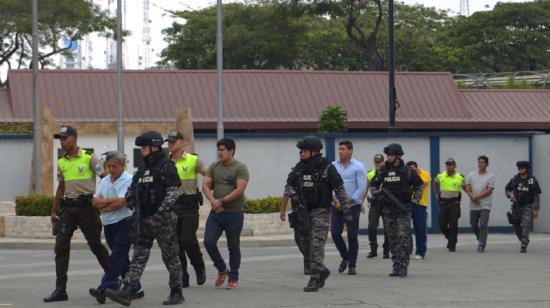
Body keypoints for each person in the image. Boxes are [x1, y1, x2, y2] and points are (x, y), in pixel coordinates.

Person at [106, 131, 184, 306]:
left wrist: (159, 215)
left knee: (170, 257)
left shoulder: (166, 166)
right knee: (139, 254)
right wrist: (131, 200)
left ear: (153, 147)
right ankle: (129, 289)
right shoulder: (142, 169)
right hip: (143, 219)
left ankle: (176, 291)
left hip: (163, 220)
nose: (141, 150)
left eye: (143, 147)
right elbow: (132, 190)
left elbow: (173, 193)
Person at [44, 126, 110, 303]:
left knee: (96, 245)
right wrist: (54, 210)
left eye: (65, 138)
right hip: (68, 210)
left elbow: (105, 178)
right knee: (61, 247)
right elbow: (61, 187)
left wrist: (103, 200)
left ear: (74, 138)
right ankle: (60, 290)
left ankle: (114, 279)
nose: (62, 141)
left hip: (87, 210)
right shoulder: (62, 162)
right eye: (60, 139)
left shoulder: (89, 158)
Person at [282, 136, 351, 292]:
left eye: (304, 150)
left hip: (321, 211)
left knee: (316, 244)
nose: (301, 153)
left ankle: (315, 276)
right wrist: (293, 194)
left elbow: (339, 189)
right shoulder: (299, 168)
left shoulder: (326, 167)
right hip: (302, 211)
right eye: (300, 151)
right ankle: (321, 269)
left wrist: (346, 211)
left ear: (314, 152)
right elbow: (288, 186)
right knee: (301, 241)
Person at [89, 151, 143, 304]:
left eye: (114, 166)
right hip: (109, 224)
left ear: (122, 166)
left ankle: (104, 288)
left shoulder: (129, 180)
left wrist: (104, 205)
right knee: (122, 258)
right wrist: (108, 204)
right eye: (109, 165)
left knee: (116, 257)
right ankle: (136, 287)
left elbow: (121, 203)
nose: (111, 168)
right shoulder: (105, 180)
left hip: (125, 222)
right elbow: (94, 201)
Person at [202, 138, 249, 290]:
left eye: (222, 150)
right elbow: (205, 185)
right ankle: (222, 269)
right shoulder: (214, 167)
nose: (220, 153)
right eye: (219, 150)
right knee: (208, 242)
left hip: (234, 213)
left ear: (231, 151)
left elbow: (239, 190)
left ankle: (233, 277)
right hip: (216, 213)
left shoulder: (240, 168)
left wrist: (221, 201)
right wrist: (212, 200)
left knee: (233, 246)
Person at [370, 143, 423, 278]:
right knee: (392, 238)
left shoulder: (408, 171)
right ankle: (396, 265)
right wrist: (376, 194)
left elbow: (419, 186)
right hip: (388, 209)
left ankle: (403, 265)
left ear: (398, 156)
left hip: (403, 209)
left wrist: (415, 201)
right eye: (388, 155)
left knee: (402, 237)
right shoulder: (382, 171)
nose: (388, 158)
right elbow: (374, 185)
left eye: (391, 155)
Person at [166, 131, 207, 288]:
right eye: (169, 142)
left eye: (173, 141)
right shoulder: (166, 163)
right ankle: (183, 276)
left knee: (187, 239)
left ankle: (199, 266)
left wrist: (210, 188)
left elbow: (208, 174)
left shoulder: (192, 159)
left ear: (182, 142)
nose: (170, 144)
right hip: (172, 206)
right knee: (176, 244)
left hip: (189, 205)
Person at [331, 141, 366, 275]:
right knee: (335, 233)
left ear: (350, 151)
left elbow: (361, 187)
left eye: (343, 149)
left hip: (352, 205)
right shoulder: (333, 166)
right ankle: (345, 256)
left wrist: (347, 201)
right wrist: (335, 200)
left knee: (352, 235)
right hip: (336, 205)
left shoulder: (358, 167)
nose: (340, 151)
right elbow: (329, 186)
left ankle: (352, 265)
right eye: (339, 149)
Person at [505, 161, 542, 253]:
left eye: (522, 168)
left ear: (527, 169)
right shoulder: (515, 179)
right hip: (516, 206)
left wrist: (536, 209)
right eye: (519, 168)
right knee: (515, 225)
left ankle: (524, 243)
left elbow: (536, 195)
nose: (521, 170)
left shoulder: (532, 180)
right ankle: (523, 239)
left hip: (527, 206)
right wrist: (510, 195)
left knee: (525, 225)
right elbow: (507, 188)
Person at [433, 158, 465, 252]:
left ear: (454, 166)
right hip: (443, 203)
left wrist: (472, 195)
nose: (448, 166)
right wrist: (436, 193)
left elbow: (465, 187)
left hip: (454, 203)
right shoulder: (441, 175)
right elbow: (435, 183)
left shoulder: (460, 177)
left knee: (453, 225)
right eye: (447, 165)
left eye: (450, 164)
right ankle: (451, 239)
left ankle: (452, 245)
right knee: (442, 224)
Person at [465, 155, 495, 253]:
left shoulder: (490, 176)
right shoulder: (471, 174)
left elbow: (489, 190)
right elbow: (468, 187)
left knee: (483, 224)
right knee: (472, 223)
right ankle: (480, 237)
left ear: (487, 164)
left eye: (482, 162)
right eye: (479, 162)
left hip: (485, 204)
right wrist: (471, 196)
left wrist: (477, 197)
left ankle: (482, 244)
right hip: (473, 204)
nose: (480, 164)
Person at [362, 154, 389, 259]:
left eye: (379, 162)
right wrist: (361, 203)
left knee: (388, 227)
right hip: (374, 204)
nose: (378, 164)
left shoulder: (387, 173)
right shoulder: (370, 173)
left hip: (386, 204)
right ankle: (373, 249)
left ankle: (386, 250)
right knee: (371, 226)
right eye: (376, 162)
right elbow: (366, 189)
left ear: (383, 161)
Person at [405, 161, 431, 259]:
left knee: (420, 228)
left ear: (417, 168)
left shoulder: (424, 174)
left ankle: (420, 251)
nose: (411, 171)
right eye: (409, 169)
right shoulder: (406, 174)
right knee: (404, 227)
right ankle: (408, 248)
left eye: (412, 169)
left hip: (420, 204)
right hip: (407, 203)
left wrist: (413, 176)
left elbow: (422, 184)